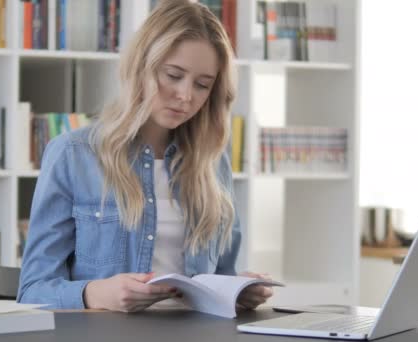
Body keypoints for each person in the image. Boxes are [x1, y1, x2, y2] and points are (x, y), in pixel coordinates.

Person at [17, 0, 273, 313]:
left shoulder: (212, 164)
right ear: (142, 66)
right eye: (173, 75)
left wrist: (236, 290)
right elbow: (32, 289)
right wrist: (96, 294)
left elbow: (220, 277)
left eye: (203, 85)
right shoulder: (73, 155)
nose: (185, 95)